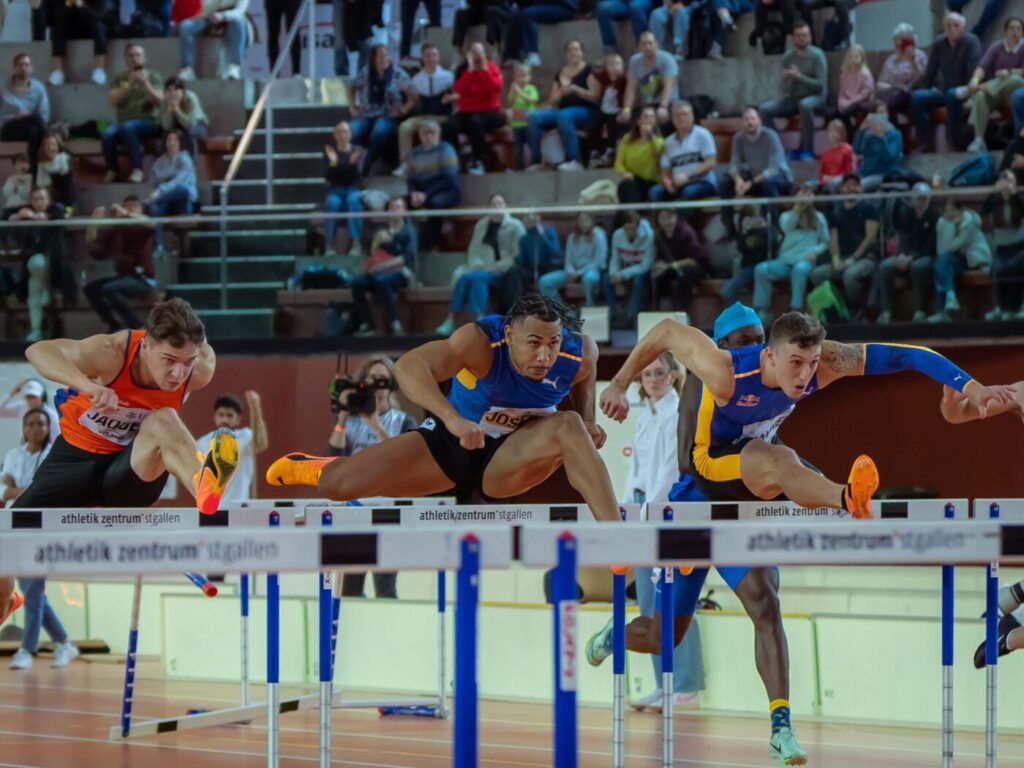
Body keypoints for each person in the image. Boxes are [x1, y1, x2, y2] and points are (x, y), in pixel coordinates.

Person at [591, 304, 812, 763]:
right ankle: (618, 634)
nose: (756, 349)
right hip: (691, 507)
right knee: (661, 637)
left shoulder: (769, 384)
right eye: (744, 341)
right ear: (722, 347)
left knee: (765, 601)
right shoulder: (703, 381)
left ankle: (781, 726)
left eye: (760, 338)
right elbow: (693, 463)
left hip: (736, 510)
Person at [266, 294, 623, 525]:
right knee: (338, 486)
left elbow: (583, 377)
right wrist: (452, 420)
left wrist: (589, 420)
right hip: (452, 445)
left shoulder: (578, 354)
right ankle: (314, 467)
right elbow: (407, 367)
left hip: (515, 457)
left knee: (570, 425)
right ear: (511, 336)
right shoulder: (480, 343)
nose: (545, 356)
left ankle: (616, 539)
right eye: (534, 344)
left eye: (553, 343)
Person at [0, 298, 241, 628]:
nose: (178, 372)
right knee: (4, 544)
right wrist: (85, 383)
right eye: (169, 360)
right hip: (73, 461)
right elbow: (37, 352)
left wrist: (189, 356)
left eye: (187, 361)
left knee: (164, 419)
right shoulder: (112, 352)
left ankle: (205, 483)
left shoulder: (200, 369)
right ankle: (6, 600)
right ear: (146, 345)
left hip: (130, 473)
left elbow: (190, 360)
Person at [621, 351, 706, 712]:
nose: (651, 379)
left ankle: (684, 683)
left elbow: (670, 473)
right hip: (641, 515)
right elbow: (636, 472)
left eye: (658, 373)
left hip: (665, 513)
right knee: (648, 604)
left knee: (673, 601)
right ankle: (663, 684)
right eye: (646, 374)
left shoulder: (676, 415)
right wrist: (624, 513)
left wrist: (653, 513)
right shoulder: (645, 417)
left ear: (673, 376)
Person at [326, 356, 417, 598]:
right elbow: (333, 459)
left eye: (383, 381)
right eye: (372, 381)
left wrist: (376, 425)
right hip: (355, 509)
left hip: (389, 510)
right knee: (351, 588)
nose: (378, 388)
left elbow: (404, 461)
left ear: (391, 386)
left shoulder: (403, 421)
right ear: (362, 384)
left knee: (386, 587)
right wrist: (343, 415)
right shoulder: (350, 423)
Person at [5, 408, 79, 670]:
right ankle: (64, 643)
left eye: (41, 423)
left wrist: (20, 489)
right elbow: (4, 489)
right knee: (33, 592)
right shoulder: (14, 455)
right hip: (13, 528)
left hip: (41, 529)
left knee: (32, 590)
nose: (36, 428)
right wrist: (29, 489)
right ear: (24, 428)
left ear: (49, 428)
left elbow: (50, 490)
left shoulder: (52, 456)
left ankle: (26, 649)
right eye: (30, 423)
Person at [435, 193, 523, 335]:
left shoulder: (516, 226)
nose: (496, 207)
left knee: (476, 278)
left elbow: (517, 255)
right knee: (464, 277)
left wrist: (495, 267)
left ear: (506, 206)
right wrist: (477, 263)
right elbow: (473, 250)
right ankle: (451, 318)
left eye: (500, 203)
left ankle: (479, 320)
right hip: (483, 268)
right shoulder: (481, 225)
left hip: (504, 270)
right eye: (493, 204)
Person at [809, 173, 880, 319]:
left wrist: (853, 259)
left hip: (866, 258)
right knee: (817, 274)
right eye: (847, 185)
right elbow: (832, 240)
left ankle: (858, 310)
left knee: (850, 275)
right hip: (842, 259)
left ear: (860, 189)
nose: (851, 188)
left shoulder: (869, 208)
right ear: (841, 189)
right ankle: (838, 308)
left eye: (855, 185)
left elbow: (870, 237)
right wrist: (835, 259)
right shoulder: (836, 212)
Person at [752, 188, 829, 323]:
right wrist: (798, 207)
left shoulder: (819, 217)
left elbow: (826, 241)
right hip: (785, 260)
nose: (805, 197)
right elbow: (787, 227)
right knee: (761, 269)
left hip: (805, 260)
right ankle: (763, 310)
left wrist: (815, 251)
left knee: (799, 269)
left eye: (809, 194)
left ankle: (796, 309)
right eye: (802, 193)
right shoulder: (786, 216)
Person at [524, 40, 600, 172]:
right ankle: (537, 161)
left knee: (565, 115)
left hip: (586, 110)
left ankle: (574, 161)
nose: (573, 52)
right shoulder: (560, 73)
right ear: (565, 54)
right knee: (533, 117)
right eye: (570, 50)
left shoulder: (589, 70)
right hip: (562, 110)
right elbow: (553, 101)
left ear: (582, 52)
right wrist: (562, 91)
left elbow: (596, 97)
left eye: (576, 49)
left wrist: (576, 90)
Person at [909, 12, 981, 153]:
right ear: (944, 28)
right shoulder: (938, 44)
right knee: (917, 97)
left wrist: (968, 92)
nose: (952, 29)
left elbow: (974, 71)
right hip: (943, 90)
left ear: (962, 28)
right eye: (949, 26)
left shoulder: (972, 41)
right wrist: (915, 87)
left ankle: (952, 140)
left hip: (965, 89)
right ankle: (924, 141)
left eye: (956, 26)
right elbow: (930, 73)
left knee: (952, 94)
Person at [719, 106, 793, 238]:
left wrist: (751, 183)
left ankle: (774, 227)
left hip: (779, 179)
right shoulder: (739, 138)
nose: (749, 122)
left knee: (768, 184)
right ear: (742, 123)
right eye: (746, 119)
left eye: (752, 118)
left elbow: (773, 169)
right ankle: (728, 227)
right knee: (724, 182)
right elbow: (734, 163)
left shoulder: (770, 136)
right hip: (754, 180)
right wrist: (738, 180)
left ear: (759, 120)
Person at [85, 195, 155, 332]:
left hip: (142, 279)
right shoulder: (116, 229)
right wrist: (93, 227)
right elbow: (100, 253)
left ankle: (137, 325)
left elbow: (150, 223)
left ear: (141, 209)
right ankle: (113, 324)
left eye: (134, 206)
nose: (129, 209)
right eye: (127, 206)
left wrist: (128, 214)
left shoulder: (142, 228)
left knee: (109, 289)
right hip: (124, 277)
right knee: (90, 289)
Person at [11, 186, 73, 342]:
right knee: (37, 269)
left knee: (34, 286)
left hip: (56, 263)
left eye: (42, 198)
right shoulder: (27, 213)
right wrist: (17, 216)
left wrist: (40, 217)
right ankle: (35, 329)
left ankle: (36, 328)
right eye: (35, 199)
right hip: (33, 263)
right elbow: (8, 219)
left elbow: (62, 213)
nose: (38, 202)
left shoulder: (55, 209)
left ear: (48, 200)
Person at [759, 22, 827, 161]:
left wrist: (799, 77)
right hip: (794, 98)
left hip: (815, 96)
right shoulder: (788, 57)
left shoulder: (817, 55)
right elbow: (785, 90)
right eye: (798, 35)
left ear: (810, 37)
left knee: (805, 105)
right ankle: (777, 149)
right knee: (765, 109)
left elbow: (820, 86)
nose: (801, 38)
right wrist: (788, 80)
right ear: (793, 38)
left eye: (804, 35)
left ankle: (808, 149)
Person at [351, 197, 418, 336]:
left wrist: (382, 266)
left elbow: (407, 257)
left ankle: (395, 321)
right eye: (392, 207)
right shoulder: (381, 231)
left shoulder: (409, 231)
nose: (394, 210)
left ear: (405, 211)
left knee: (383, 280)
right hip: (379, 272)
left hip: (401, 272)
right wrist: (376, 242)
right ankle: (367, 324)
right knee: (356, 282)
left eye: (398, 207)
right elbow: (373, 254)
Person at [877, 182, 938, 324]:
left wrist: (912, 257)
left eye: (923, 198)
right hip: (908, 255)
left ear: (928, 199)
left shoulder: (934, 215)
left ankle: (919, 311)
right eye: (918, 198)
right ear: (912, 199)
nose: (920, 201)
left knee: (918, 267)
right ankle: (887, 311)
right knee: (885, 266)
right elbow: (904, 237)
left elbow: (933, 244)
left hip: (928, 256)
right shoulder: (908, 215)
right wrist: (903, 254)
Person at [102, 44, 163, 184]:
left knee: (129, 127)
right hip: (124, 122)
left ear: (144, 58)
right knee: (107, 134)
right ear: (125, 59)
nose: (135, 58)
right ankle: (113, 170)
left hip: (150, 122)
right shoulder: (120, 78)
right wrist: (129, 83)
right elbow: (112, 100)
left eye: (138, 55)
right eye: (131, 55)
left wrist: (146, 83)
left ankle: (137, 169)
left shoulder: (153, 76)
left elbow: (160, 101)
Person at [348, 45, 411, 176]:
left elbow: (413, 97)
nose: (383, 58)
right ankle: (350, 164)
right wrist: (352, 107)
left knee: (378, 133)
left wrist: (402, 111)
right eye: (380, 55)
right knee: (352, 131)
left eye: (386, 54)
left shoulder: (398, 74)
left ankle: (364, 167)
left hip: (387, 115)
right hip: (365, 114)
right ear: (373, 58)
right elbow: (351, 87)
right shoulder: (366, 72)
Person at [964, 16, 1024, 152]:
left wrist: (1008, 72)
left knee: (1014, 79)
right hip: (996, 93)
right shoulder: (997, 47)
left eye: (1019, 29)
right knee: (980, 95)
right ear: (1005, 32)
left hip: (1015, 92)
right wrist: (974, 81)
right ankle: (978, 139)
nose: (1015, 32)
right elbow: (982, 67)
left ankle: (972, 92)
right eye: (1012, 28)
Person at [394, 44, 455, 176]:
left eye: (434, 55)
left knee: (437, 126)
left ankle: (442, 163)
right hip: (423, 116)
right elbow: (414, 100)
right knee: (405, 127)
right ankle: (405, 163)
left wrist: (450, 98)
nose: (431, 58)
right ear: (422, 57)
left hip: (441, 116)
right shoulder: (416, 79)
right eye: (427, 55)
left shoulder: (449, 76)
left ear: (438, 58)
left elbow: (455, 96)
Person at [196, 391, 267, 502]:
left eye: (230, 416)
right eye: (221, 415)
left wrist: (255, 409)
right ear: (215, 417)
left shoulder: (245, 436)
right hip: (213, 508)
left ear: (238, 419)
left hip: (240, 506)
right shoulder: (203, 443)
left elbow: (261, 444)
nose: (225, 420)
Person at [930, 197, 990, 322]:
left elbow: (953, 245)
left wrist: (949, 225)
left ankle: (944, 307)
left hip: (975, 260)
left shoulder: (969, 221)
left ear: (961, 210)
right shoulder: (943, 222)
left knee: (942, 263)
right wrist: (946, 224)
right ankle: (950, 298)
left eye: (952, 210)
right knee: (941, 263)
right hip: (956, 259)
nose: (949, 214)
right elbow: (941, 248)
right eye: (946, 211)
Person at [407, 120, 461, 253]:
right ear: (420, 136)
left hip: (446, 190)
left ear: (438, 134)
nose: (429, 137)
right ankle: (407, 243)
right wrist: (413, 192)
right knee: (399, 203)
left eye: (432, 133)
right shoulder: (415, 153)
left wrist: (426, 194)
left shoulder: (446, 149)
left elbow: (450, 179)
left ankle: (432, 244)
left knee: (435, 203)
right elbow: (411, 179)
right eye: (425, 134)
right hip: (421, 190)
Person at [452, 43, 506, 175]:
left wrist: (484, 70)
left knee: (475, 122)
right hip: (467, 111)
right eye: (474, 52)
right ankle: (453, 160)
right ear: (468, 55)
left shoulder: (492, 68)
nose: (477, 55)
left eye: (479, 52)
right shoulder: (462, 70)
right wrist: (470, 71)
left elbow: (495, 89)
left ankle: (478, 161)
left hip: (491, 112)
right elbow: (458, 90)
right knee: (449, 124)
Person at [650, 100, 717, 203]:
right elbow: (665, 171)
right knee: (655, 192)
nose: (681, 118)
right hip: (677, 184)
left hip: (702, 182)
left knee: (688, 192)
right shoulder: (668, 142)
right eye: (677, 115)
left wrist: (688, 175)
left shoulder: (703, 134)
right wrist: (667, 182)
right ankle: (661, 219)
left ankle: (683, 220)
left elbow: (711, 162)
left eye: (685, 114)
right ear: (672, 119)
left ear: (692, 116)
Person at [145, 131, 198, 254]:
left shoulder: (185, 158)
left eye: (175, 140)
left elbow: (180, 182)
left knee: (181, 189)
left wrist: (161, 189)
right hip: (165, 203)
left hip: (182, 202)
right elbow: (153, 180)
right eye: (169, 139)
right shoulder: (159, 162)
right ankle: (158, 246)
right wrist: (163, 187)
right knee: (154, 209)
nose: (172, 143)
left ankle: (152, 202)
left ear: (180, 143)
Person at [538, 212, 607, 306]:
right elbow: (568, 260)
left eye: (586, 220)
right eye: (581, 221)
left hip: (590, 271)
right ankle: (561, 309)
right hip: (573, 272)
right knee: (544, 281)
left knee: (589, 279)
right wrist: (570, 271)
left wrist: (579, 273)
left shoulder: (598, 235)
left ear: (591, 221)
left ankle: (590, 307)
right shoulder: (572, 237)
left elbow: (598, 261)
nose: (583, 223)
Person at [984, 169, 1024, 321]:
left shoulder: (1019, 198)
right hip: (1002, 249)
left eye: (1010, 180)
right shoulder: (994, 201)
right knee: (997, 271)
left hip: (1020, 247)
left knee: (1019, 270)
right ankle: (1000, 307)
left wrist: (1012, 194)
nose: (1007, 184)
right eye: (1004, 180)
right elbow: (985, 210)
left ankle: (1021, 307)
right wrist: (996, 193)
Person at [0, 53, 48, 177]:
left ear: (31, 68)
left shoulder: (39, 88)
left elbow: (44, 115)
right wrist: (16, 116)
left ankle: (34, 174)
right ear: (14, 68)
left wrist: (28, 119)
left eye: (26, 64)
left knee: (34, 130)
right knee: (35, 119)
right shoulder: (3, 88)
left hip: (30, 129)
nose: (23, 67)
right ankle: (48, 149)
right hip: (8, 129)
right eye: (20, 65)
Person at [605, 211, 655, 328]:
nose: (630, 232)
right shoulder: (617, 235)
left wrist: (622, 275)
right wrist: (614, 275)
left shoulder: (649, 235)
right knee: (606, 278)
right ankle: (613, 316)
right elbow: (615, 259)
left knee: (639, 278)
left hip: (641, 273)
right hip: (624, 270)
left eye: (633, 229)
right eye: (627, 229)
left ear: (638, 226)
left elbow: (645, 266)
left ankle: (631, 316)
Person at [322, 121, 365, 257]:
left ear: (350, 134)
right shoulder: (330, 152)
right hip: (336, 190)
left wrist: (339, 164)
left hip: (354, 189)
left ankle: (356, 244)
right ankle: (329, 245)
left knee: (353, 201)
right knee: (331, 203)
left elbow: (358, 175)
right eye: (339, 132)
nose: (342, 135)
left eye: (345, 131)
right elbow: (328, 176)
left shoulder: (358, 151)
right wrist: (339, 163)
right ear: (334, 135)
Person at [177, 0, 249, 81]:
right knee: (185, 26)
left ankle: (235, 67)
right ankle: (187, 68)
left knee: (238, 21)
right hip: (210, 16)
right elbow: (203, 8)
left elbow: (240, 11)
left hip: (231, 18)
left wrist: (224, 15)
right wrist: (212, 13)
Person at [652, 208, 707, 311]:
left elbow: (693, 260)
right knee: (656, 277)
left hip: (694, 265)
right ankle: (657, 312)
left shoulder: (686, 232)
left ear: (676, 217)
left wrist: (670, 266)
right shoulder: (659, 235)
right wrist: (659, 266)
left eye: (669, 218)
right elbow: (660, 257)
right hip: (672, 266)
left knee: (686, 275)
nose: (666, 222)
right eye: (663, 218)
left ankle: (682, 312)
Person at [621, 32, 678, 129]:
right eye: (643, 43)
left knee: (663, 118)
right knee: (625, 120)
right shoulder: (634, 61)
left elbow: (668, 85)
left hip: (668, 101)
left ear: (656, 44)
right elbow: (631, 87)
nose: (647, 46)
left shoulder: (667, 59)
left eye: (650, 43)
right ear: (639, 46)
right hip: (647, 103)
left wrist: (663, 107)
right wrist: (626, 109)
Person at [876, 23, 929, 126]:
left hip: (912, 93)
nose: (898, 44)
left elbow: (923, 81)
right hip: (894, 93)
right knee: (888, 103)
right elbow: (879, 84)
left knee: (893, 103)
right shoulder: (890, 60)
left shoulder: (920, 56)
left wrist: (913, 62)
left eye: (902, 40)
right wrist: (894, 87)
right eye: (896, 41)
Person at [47, 0, 108, 86]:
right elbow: (56, 17)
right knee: (58, 27)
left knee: (98, 27)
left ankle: (100, 70)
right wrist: (68, 6)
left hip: (91, 28)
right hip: (73, 30)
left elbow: (98, 16)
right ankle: (58, 71)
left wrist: (82, 6)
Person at [614, 106, 665, 206]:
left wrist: (650, 136)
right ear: (638, 121)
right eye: (645, 117)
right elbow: (619, 163)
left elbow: (660, 153)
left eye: (651, 117)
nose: (648, 120)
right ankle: (629, 216)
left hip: (652, 182)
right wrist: (624, 173)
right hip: (633, 180)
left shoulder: (659, 141)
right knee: (625, 186)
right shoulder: (627, 139)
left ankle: (629, 217)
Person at [851, 104, 904, 193]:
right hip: (864, 173)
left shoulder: (895, 134)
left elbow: (889, 157)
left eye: (882, 113)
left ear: (887, 115)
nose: (880, 117)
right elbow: (856, 150)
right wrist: (861, 130)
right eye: (877, 113)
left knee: (856, 188)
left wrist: (881, 137)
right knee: (839, 185)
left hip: (884, 174)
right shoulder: (868, 134)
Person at [834, 45, 875, 141]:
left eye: (856, 56)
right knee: (835, 113)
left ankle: (851, 140)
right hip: (848, 101)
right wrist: (840, 102)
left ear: (861, 58)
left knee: (845, 113)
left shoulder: (865, 73)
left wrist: (849, 102)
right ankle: (840, 141)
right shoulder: (844, 74)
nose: (853, 59)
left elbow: (865, 94)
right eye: (850, 57)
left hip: (862, 101)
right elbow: (842, 92)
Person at [159, 77, 209, 155]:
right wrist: (169, 109)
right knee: (167, 134)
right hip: (178, 127)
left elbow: (190, 124)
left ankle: (190, 164)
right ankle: (166, 164)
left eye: (176, 90)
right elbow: (166, 126)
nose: (173, 93)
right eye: (169, 90)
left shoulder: (190, 98)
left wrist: (177, 110)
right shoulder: (164, 101)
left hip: (198, 125)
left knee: (188, 133)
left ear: (182, 91)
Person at [507, 63, 540, 170]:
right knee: (518, 148)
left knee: (532, 144)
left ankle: (536, 163)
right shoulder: (514, 89)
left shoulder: (531, 88)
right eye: (518, 76)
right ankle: (518, 167)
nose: (521, 79)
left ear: (529, 77)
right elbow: (510, 102)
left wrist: (519, 92)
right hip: (517, 123)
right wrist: (513, 91)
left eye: (524, 75)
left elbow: (533, 100)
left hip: (529, 124)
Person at [36, 131, 75, 211]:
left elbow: (70, 191)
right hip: (49, 204)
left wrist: (68, 211)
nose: (50, 148)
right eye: (47, 145)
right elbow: (41, 190)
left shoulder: (65, 160)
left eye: (53, 144)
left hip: (68, 205)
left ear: (58, 147)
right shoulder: (41, 165)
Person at [817, 120, 854, 193]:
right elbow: (822, 174)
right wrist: (824, 178)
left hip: (842, 181)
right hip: (827, 181)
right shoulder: (825, 153)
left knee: (832, 186)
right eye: (831, 131)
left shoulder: (848, 150)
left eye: (836, 132)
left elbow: (849, 172)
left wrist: (833, 178)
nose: (833, 135)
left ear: (842, 134)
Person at [2, 152, 32, 220]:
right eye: (18, 163)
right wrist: (15, 184)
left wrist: (20, 186)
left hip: (25, 207)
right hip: (10, 207)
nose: (21, 165)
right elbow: (6, 193)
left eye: (24, 162)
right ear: (14, 166)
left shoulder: (31, 178)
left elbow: (26, 195)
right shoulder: (11, 179)